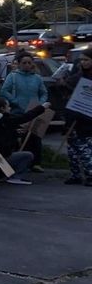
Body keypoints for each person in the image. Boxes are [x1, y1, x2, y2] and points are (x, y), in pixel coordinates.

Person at [0, 52, 50, 170]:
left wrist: (41, 105)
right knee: (18, 136)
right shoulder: (13, 76)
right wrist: (15, 101)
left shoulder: (37, 78)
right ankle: (19, 161)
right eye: (24, 63)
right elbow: (4, 91)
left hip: (35, 110)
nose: (27, 65)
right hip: (18, 111)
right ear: (19, 64)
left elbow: (44, 92)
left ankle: (36, 163)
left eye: (29, 63)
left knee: (35, 137)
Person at [0, 97, 37, 184]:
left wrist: (15, 132)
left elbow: (2, 133)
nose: (10, 108)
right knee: (28, 155)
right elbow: (24, 117)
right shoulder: (4, 118)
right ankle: (15, 177)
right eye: (8, 106)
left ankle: (0, 171)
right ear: (2, 108)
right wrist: (42, 108)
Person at [63, 52, 92, 185]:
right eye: (82, 60)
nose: (83, 62)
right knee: (72, 149)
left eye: (86, 60)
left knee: (85, 149)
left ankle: (90, 174)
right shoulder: (76, 77)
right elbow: (67, 91)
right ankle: (75, 174)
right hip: (72, 115)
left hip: (87, 118)